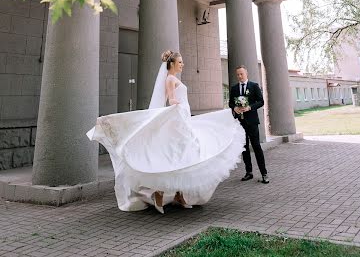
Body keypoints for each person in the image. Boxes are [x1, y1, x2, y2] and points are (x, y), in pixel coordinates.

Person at [87, 50, 245, 213]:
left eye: (182, 62)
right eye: (180, 62)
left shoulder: (174, 78)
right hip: (179, 121)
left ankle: (179, 194)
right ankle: (159, 194)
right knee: (176, 157)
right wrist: (180, 106)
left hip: (184, 120)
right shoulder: (170, 79)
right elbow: (171, 100)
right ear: (172, 64)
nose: (182, 65)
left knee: (185, 156)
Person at [229, 65, 269, 184]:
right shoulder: (234, 88)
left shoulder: (254, 86)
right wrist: (235, 108)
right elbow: (230, 102)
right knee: (244, 148)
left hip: (252, 122)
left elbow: (261, 101)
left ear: (246, 74)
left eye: (242, 74)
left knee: (256, 147)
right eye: (238, 74)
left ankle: (264, 173)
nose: (240, 76)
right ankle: (249, 172)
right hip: (240, 123)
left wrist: (250, 107)